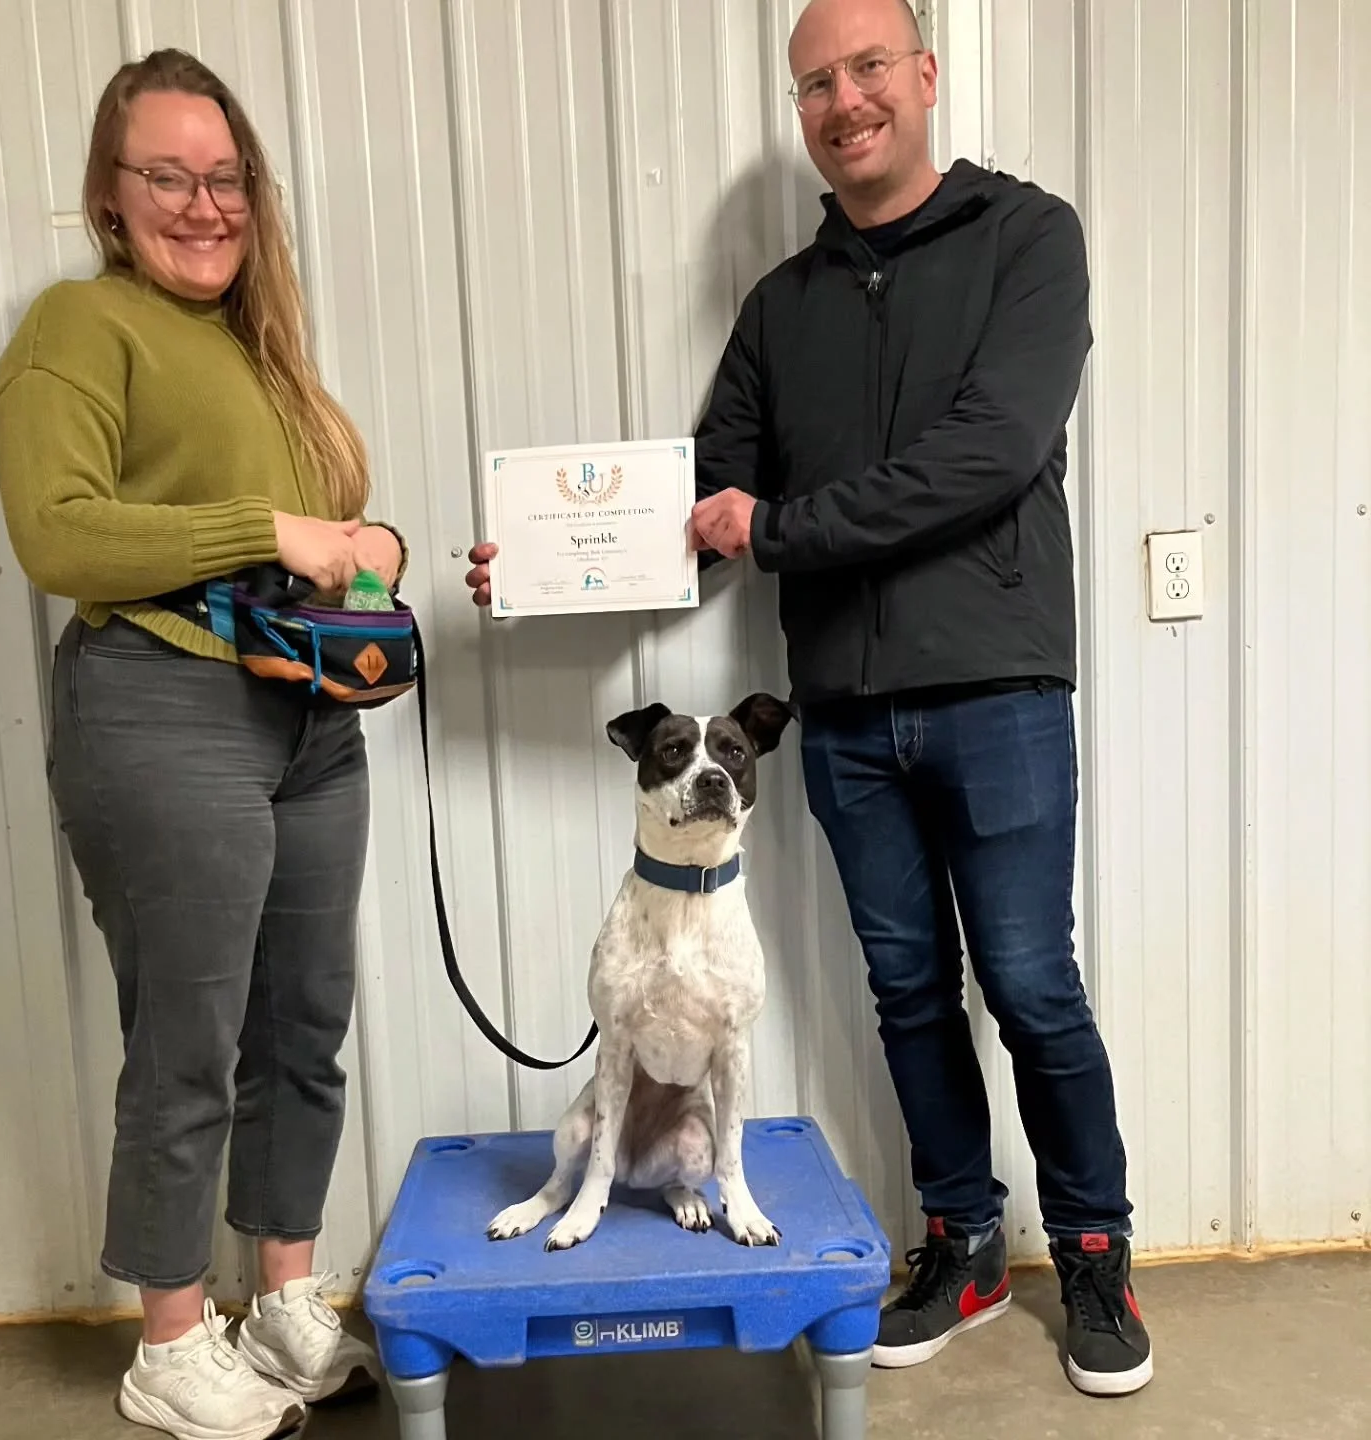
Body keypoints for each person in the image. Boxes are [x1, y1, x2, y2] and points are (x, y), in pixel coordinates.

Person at [465, 0, 1153, 1400]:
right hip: (841, 715)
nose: (843, 102)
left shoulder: (1031, 241)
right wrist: (535, 565)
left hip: (998, 690)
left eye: (865, 71)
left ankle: (1091, 1247)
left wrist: (777, 529)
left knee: (1030, 983)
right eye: (814, 84)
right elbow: (691, 504)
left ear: (923, 77)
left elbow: (990, 455)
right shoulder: (781, 308)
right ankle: (960, 1239)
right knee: (906, 991)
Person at [0, 48, 399, 1440]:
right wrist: (270, 533)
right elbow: (58, 531)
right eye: (167, 174)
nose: (202, 203)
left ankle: (281, 1294)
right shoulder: (76, 326)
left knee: (303, 1024)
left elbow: (320, 524)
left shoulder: (258, 347)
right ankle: (169, 1336)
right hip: (159, 702)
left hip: (304, 719)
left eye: (224, 178)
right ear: (112, 192)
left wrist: (371, 541)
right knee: (189, 1033)